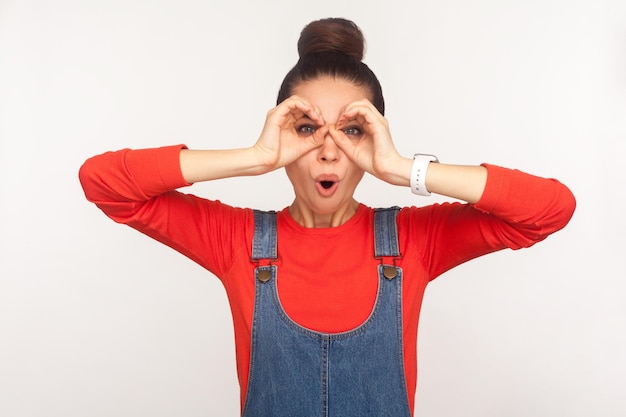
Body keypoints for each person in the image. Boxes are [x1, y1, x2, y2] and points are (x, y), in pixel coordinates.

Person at [79, 17, 576, 417]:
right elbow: (103, 182)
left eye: (353, 131)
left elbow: (548, 210)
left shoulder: (411, 241)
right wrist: (254, 157)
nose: (328, 152)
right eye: (306, 128)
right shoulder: (236, 239)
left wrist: (403, 169)